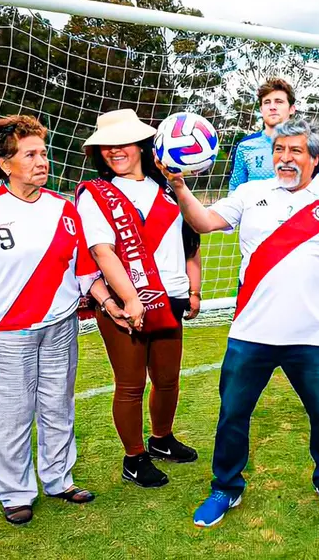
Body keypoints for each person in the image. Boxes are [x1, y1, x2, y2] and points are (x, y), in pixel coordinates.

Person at [164, 118, 319, 526]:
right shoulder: (250, 192)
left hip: (312, 337)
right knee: (233, 415)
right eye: (279, 150)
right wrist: (180, 186)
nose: (285, 158)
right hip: (250, 334)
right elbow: (203, 222)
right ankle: (225, 488)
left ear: (314, 157)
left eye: (295, 151)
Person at [0, 115, 99, 524]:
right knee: (9, 417)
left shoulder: (65, 209)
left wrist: (116, 302)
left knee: (58, 407)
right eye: (30, 154)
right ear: (5, 163)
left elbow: (84, 271)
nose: (42, 161)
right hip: (4, 334)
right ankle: (15, 493)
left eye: (43, 152)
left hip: (60, 328)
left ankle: (59, 479)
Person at [76, 108, 203, 489]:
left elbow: (190, 244)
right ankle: (134, 458)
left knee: (167, 380)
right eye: (106, 146)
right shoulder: (94, 194)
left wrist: (194, 289)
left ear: (142, 145)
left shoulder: (167, 186)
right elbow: (102, 251)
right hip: (122, 303)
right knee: (130, 384)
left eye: (123, 143)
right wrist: (131, 299)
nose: (114, 151)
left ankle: (161, 440)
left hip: (172, 298)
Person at [227, 77, 297, 193]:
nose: (272, 107)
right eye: (267, 102)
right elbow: (234, 190)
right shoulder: (245, 146)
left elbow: (318, 190)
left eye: (279, 101)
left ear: (291, 109)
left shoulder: (307, 145)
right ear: (261, 109)